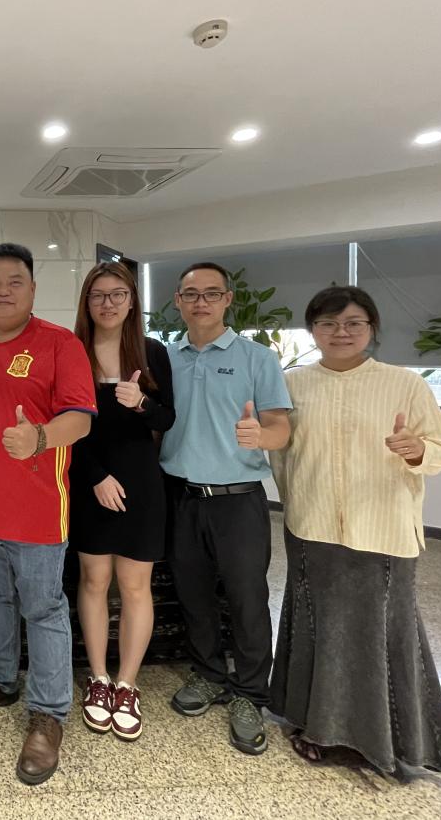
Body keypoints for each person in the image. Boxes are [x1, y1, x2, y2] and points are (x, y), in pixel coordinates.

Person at [269, 286, 441, 777]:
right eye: (328, 324)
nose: (341, 332)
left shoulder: (404, 384)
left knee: (381, 633)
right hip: (312, 527)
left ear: (372, 328)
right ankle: (315, 725)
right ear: (312, 331)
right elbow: (282, 456)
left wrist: (416, 449)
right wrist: (294, 500)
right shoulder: (292, 384)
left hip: (383, 530)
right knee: (317, 629)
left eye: (353, 323)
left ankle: (389, 739)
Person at [0, 242, 97, 786]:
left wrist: (39, 438)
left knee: (44, 607)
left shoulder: (59, 343)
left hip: (36, 507)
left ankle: (49, 713)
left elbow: (81, 419)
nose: (2, 291)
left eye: (14, 282)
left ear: (32, 289)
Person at [158, 262, 291, 757]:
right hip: (181, 497)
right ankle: (209, 674)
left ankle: (251, 694)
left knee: (247, 599)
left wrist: (262, 436)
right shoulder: (164, 359)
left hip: (238, 500)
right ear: (177, 300)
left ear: (227, 300)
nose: (201, 303)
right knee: (193, 595)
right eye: (191, 294)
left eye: (212, 294)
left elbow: (281, 428)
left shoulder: (258, 358)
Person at [69, 261, 175, 741]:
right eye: (98, 295)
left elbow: (167, 418)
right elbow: (66, 426)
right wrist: (95, 477)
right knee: (93, 580)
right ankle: (98, 677)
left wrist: (142, 403)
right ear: (87, 303)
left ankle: (127, 684)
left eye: (117, 294)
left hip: (141, 483)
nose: (108, 303)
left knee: (135, 586)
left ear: (132, 301)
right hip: (89, 480)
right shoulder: (72, 351)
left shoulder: (151, 352)